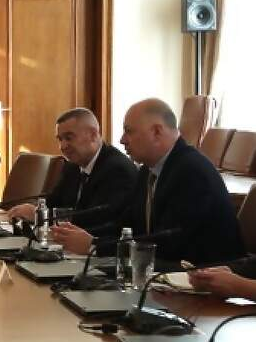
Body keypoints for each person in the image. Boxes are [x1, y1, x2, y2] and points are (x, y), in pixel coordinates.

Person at [51, 98, 244, 264]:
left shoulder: (192, 171)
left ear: (157, 132)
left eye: (129, 131)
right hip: (164, 273)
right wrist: (85, 238)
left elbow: (166, 244)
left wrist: (95, 246)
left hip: (204, 278)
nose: (122, 140)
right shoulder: (148, 170)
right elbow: (126, 225)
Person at [8, 107, 136, 234]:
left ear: (93, 135)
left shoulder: (117, 169)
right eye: (60, 139)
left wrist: (40, 216)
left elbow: (97, 219)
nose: (63, 146)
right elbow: (53, 201)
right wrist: (32, 211)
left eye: (69, 138)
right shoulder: (72, 166)